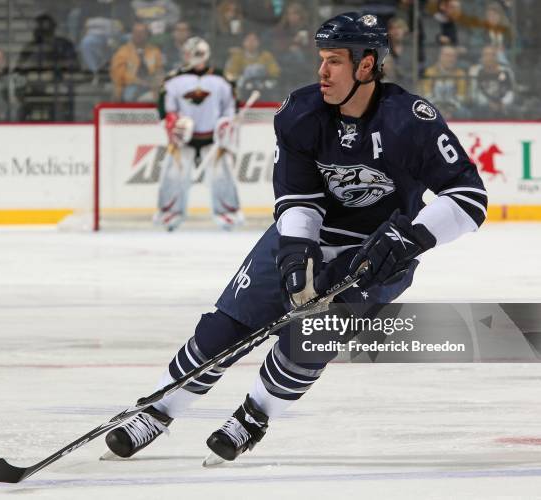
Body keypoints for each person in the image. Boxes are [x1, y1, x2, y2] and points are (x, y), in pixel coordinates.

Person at [104, 12, 487, 464]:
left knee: (305, 347)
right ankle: (157, 409)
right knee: (224, 329)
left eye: (335, 62)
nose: (322, 72)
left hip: (378, 253)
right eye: (321, 59)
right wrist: (295, 253)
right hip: (309, 234)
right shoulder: (300, 113)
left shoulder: (411, 121)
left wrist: (411, 238)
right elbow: (298, 195)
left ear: (367, 65)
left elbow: (469, 197)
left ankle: (254, 415)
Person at [153, 36, 241, 231]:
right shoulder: (173, 80)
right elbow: (165, 109)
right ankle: (170, 213)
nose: (193, 57)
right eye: (190, 53)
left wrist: (226, 124)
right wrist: (172, 124)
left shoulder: (221, 79)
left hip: (212, 137)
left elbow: (230, 108)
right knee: (174, 174)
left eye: (196, 53)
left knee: (221, 175)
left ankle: (227, 213)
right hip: (183, 139)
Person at [110, 22, 164, 102]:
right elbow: (119, 76)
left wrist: (156, 83)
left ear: (147, 34)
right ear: (132, 34)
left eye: (142, 32)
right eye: (136, 32)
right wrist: (140, 82)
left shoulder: (155, 51)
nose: (139, 35)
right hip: (130, 86)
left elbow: (159, 70)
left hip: (152, 86)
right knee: (130, 96)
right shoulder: (122, 52)